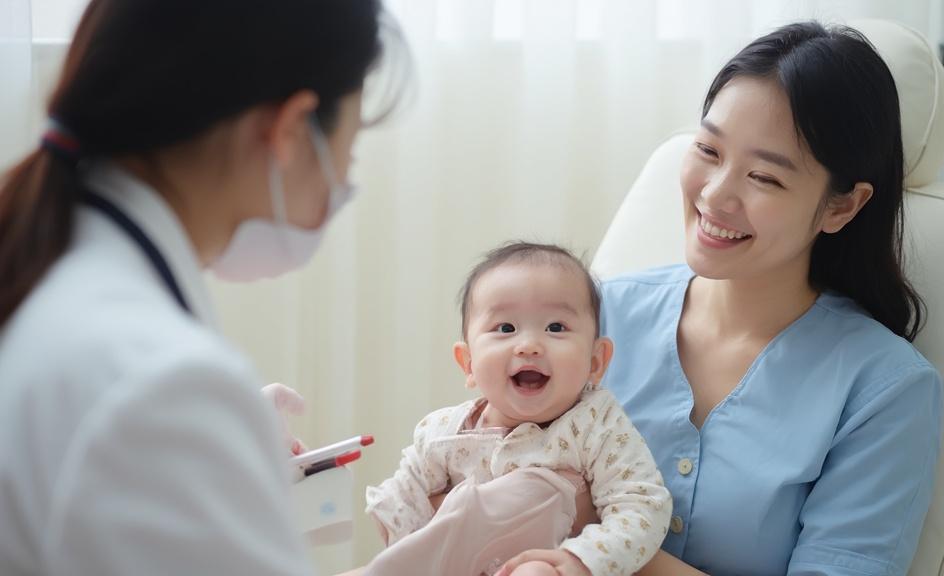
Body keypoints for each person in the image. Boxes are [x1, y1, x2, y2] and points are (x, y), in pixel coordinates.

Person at [516, 21, 941, 576]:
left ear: (842, 206)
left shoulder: (883, 389)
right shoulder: (590, 317)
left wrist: (609, 550)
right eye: (708, 150)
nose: (716, 195)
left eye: (764, 177)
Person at [0, 0, 404, 574]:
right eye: (349, 150)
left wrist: (222, 457)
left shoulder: (47, 265)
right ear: (290, 129)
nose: (342, 181)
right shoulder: (159, 383)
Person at [363, 242, 672, 576]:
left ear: (596, 362)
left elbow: (642, 505)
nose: (528, 346)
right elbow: (402, 502)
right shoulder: (443, 432)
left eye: (555, 327)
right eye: (506, 328)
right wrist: (400, 529)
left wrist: (579, 560)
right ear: (468, 363)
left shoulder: (596, 424)